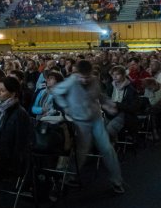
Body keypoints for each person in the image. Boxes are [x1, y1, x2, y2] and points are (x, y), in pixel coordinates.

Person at [53, 60, 125, 194]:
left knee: (108, 149)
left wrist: (108, 104)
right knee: (81, 152)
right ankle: (70, 176)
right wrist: (66, 106)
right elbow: (56, 91)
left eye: (87, 77)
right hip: (81, 122)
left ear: (91, 73)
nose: (85, 80)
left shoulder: (94, 81)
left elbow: (99, 96)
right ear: (76, 74)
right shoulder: (71, 82)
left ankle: (117, 181)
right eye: (82, 77)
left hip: (96, 119)